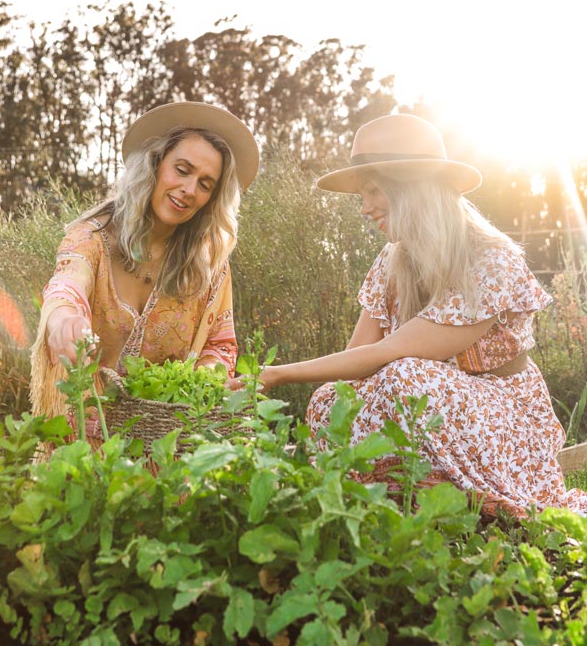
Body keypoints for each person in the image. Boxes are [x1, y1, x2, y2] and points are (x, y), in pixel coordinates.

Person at [232, 113, 587, 518]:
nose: (364, 208)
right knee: (329, 399)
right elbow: (354, 360)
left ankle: (459, 498)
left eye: (373, 191)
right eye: (361, 196)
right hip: (430, 405)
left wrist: (275, 374)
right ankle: (382, 494)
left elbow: (391, 353)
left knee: (406, 375)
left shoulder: (490, 259)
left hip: (502, 419)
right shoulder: (392, 262)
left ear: (412, 187)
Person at [30, 101, 259, 430]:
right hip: (83, 435)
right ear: (155, 163)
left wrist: (206, 378)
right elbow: (67, 284)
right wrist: (63, 318)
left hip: (165, 439)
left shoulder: (208, 264)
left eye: (205, 184)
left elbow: (219, 345)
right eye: (182, 170)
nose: (189, 190)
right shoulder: (91, 238)